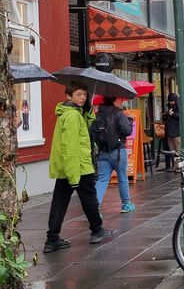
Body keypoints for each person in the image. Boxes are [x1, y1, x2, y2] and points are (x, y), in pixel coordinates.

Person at [45, 82, 115, 253]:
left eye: (84, 95)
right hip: (78, 167)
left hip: (70, 167)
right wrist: (73, 175)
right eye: (78, 94)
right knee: (89, 198)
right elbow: (70, 147)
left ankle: (52, 239)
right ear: (69, 96)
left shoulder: (74, 113)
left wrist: (88, 111)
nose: (83, 98)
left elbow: (88, 127)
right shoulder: (72, 116)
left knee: (60, 202)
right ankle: (97, 230)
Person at [92, 96, 135, 213]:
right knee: (122, 178)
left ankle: (94, 207)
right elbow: (127, 131)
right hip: (118, 152)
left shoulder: (98, 114)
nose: (122, 101)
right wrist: (130, 121)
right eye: (120, 99)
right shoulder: (119, 114)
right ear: (114, 101)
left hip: (103, 152)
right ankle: (126, 204)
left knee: (102, 180)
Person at [163, 92, 181, 172]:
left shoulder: (179, 107)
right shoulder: (169, 107)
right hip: (170, 131)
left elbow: (180, 117)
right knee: (172, 150)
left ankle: (179, 166)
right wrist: (166, 114)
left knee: (178, 149)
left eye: (172, 101)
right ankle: (175, 166)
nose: (171, 103)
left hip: (177, 131)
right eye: (170, 101)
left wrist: (172, 114)